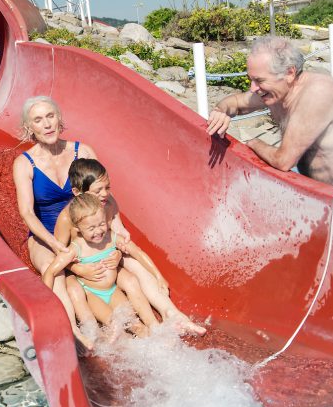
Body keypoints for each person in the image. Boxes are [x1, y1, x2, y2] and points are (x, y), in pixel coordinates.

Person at [206, 35, 333, 202]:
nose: (253, 88)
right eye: (251, 80)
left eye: (260, 81)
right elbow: (236, 101)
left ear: (290, 73)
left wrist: (253, 143)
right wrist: (220, 110)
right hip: (324, 193)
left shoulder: (317, 93)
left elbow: (284, 160)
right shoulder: (275, 92)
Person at [54, 158, 206, 336]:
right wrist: (80, 269)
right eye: (98, 191)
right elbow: (59, 254)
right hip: (86, 272)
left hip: (108, 261)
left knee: (134, 265)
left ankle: (170, 314)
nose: (104, 194)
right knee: (86, 297)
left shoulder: (108, 203)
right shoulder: (67, 218)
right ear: (78, 193)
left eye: (107, 188)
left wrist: (118, 253)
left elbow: (120, 237)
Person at [12, 96, 102, 345]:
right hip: (45, 236)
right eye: (38, 120)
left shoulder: (81, 152)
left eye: (50, 116)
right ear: (30, 128)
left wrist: (119, 231)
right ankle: (73, 332)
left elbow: (105, 194)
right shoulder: (24, 163)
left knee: (117, 259)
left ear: (59, 119)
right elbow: (27, 213)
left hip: (81, 231)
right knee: (56, 269)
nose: (47, 124)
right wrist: (54, 244)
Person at [43, 193, 165, 336]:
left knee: (136, 325)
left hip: (113, 291)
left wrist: (159, 276)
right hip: (92, 294)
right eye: (91, 228)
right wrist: (47, 301)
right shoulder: (76, 248)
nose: (98, 231)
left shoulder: (111, 238)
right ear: (78, 229)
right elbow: (50, 271)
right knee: (115, 327)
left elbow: (138, 252)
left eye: (101, 224)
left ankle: (157, 346)